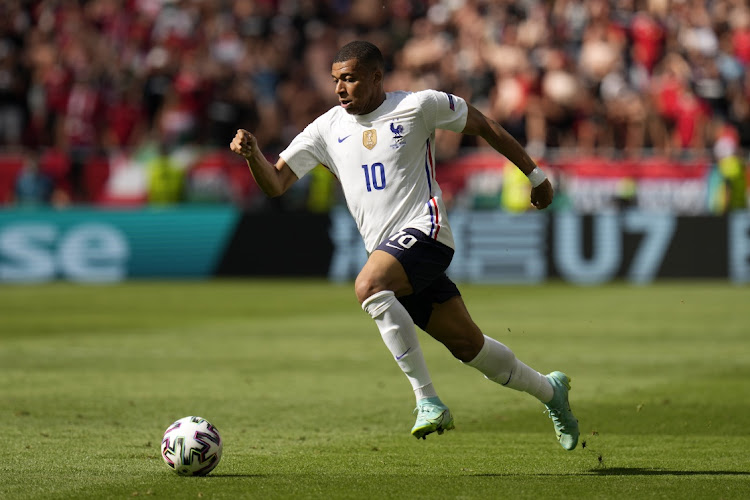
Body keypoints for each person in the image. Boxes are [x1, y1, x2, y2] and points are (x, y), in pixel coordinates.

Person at [230, 41, 579, 449]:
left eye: (350, 78)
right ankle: (551, 391)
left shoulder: (418, 106)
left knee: (368, 287)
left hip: (426, 230)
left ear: (377, 77)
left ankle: (427, 400)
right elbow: (276, 183)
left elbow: (485, 125)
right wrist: (254, 155)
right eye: (336, 80)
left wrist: (536, 178)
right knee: (470, 346)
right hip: (391, 252)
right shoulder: (327, 128)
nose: (340, 88)